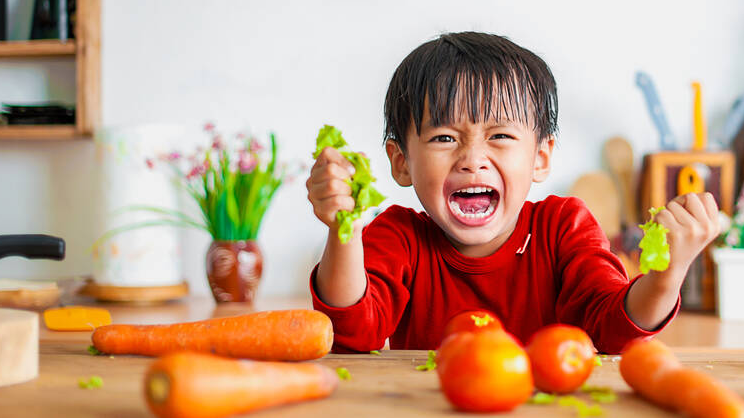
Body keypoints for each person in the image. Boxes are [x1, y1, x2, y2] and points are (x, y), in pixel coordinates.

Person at [305, 32, 719, 354]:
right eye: (444, 138)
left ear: (540, 158)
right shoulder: (398, 236)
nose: (473, 159)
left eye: (500, 135)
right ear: (401, 162)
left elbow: (615, 332)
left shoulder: (563, 229)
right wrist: (345, 226)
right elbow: (352, 334)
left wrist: (669, 274)